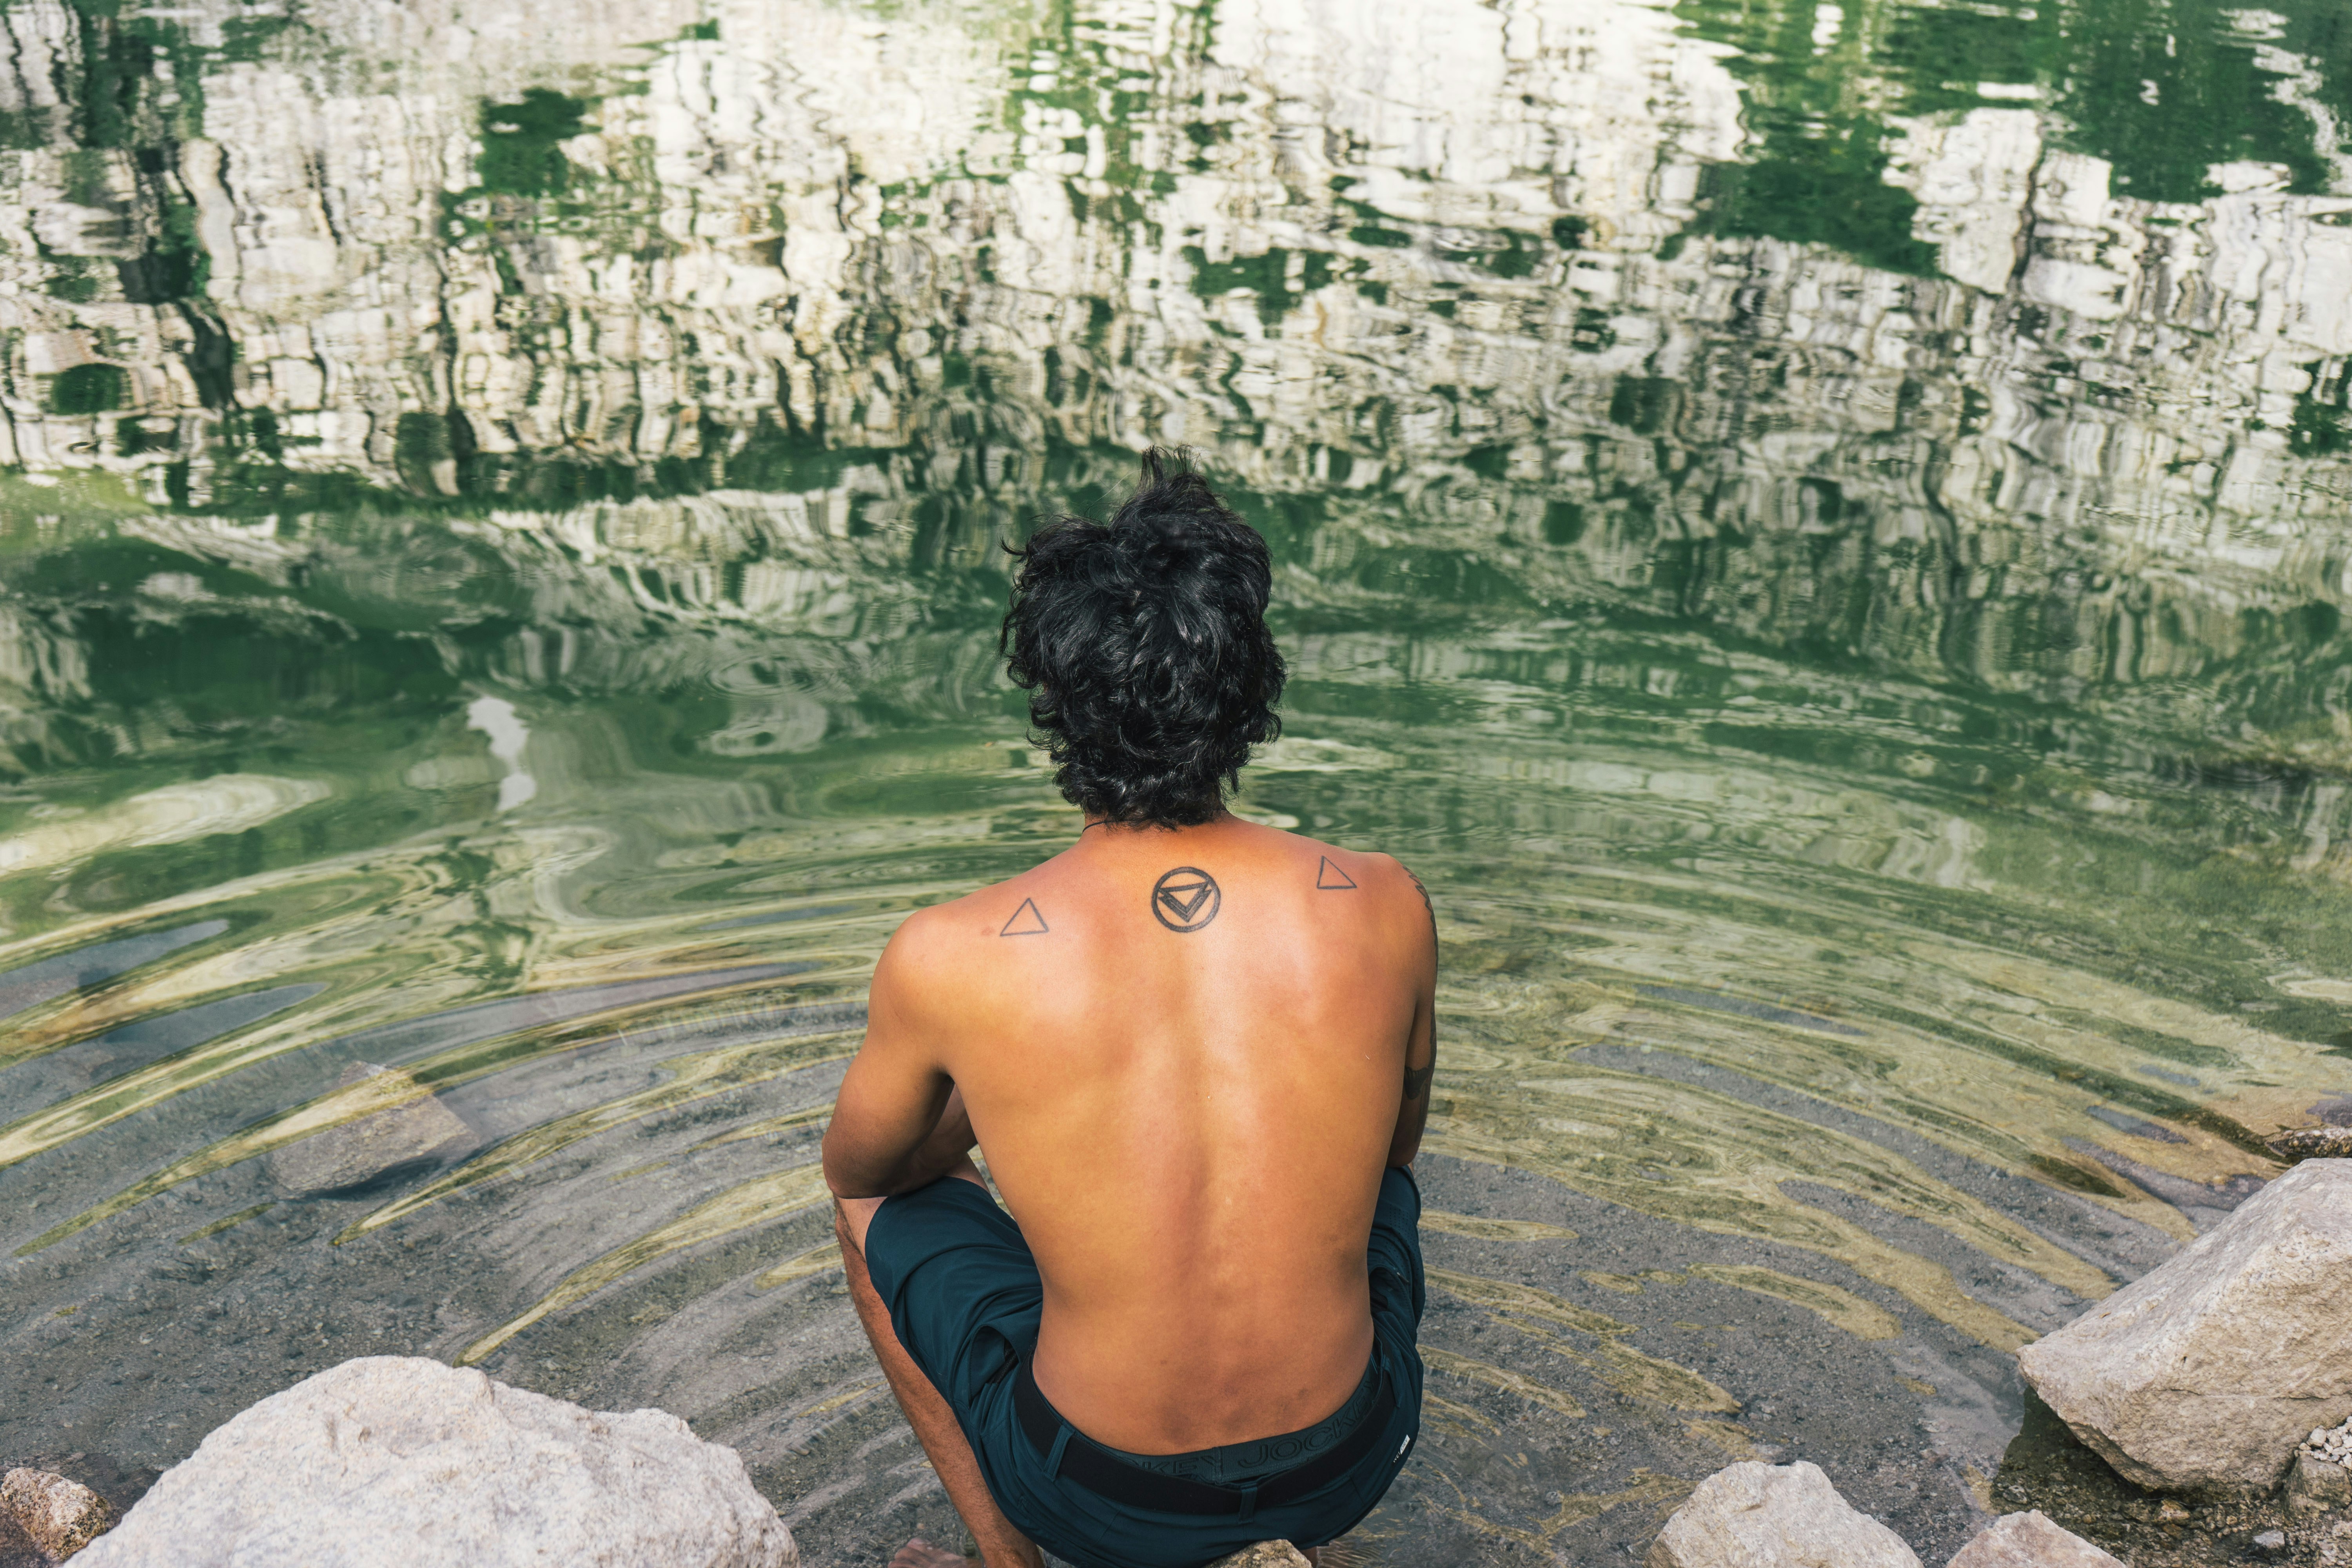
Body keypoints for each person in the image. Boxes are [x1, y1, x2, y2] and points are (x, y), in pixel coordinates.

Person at [822, 449, 1437, 1568]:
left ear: (1053, 697)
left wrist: (1001, 1103)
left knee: (874, 1219)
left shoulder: (951, 954)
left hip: (1097, 1500)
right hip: (1349, 1458)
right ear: (1253, 684)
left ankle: (1008, 1562)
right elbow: (1393, 1151)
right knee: (1381, 1183)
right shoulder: (1385, 902)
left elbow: (862, 1172)